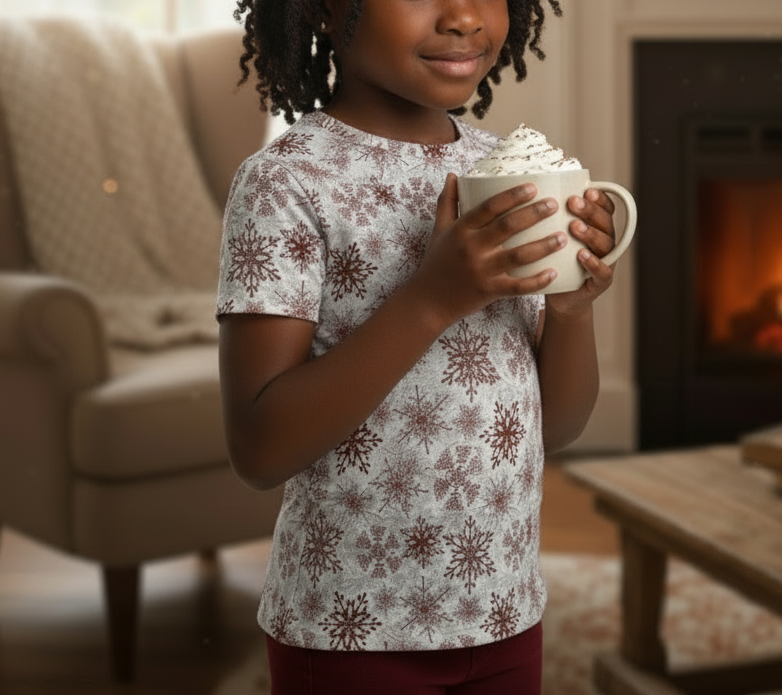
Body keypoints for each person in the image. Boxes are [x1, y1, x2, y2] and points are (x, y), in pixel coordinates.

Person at [218, 1, 619, 692]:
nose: (463, 16)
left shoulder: (505, 172)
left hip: (504, 611)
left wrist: (571, 311)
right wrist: (433, 299)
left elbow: (553, 428)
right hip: (351, 629)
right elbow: (259, 448)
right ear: (325, 8)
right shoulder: (285, 183)